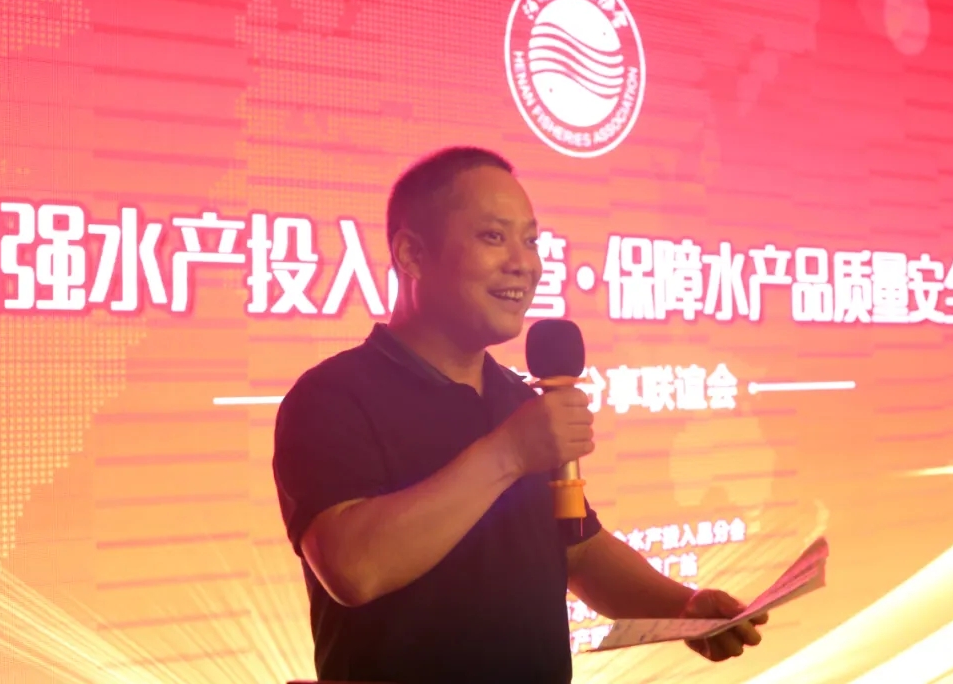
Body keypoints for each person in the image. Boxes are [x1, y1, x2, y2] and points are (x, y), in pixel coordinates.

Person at [273, 146, 767, 684]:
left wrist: (683, 607)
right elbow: (354, 569)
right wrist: (508, 453)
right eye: (494, 236)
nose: (524, 264)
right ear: (411, 254)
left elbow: (579, 552)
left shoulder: (521, 401)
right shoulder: (332, 396)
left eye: (530, 241)